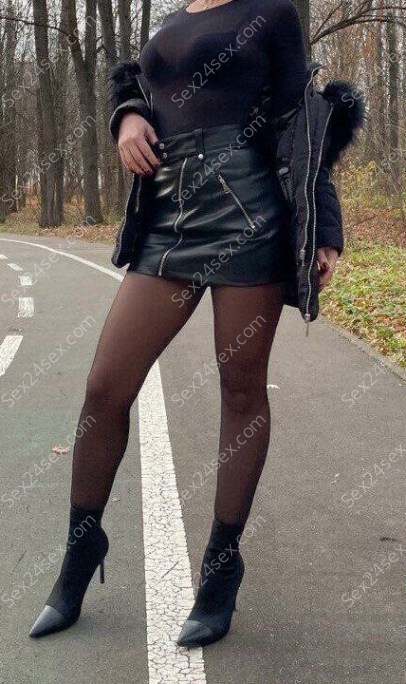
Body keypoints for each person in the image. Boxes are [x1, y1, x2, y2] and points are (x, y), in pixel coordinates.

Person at [30, 0, 344, 647]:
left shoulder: (272, 12)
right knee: (105, 388)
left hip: (248, 209)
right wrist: (126, 116)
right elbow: (140, 90)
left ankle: (221, 568)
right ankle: (82, 549)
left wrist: (326, 227)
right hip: (168, 217)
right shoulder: (170, 21)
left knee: (240, 388)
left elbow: (303, 122)